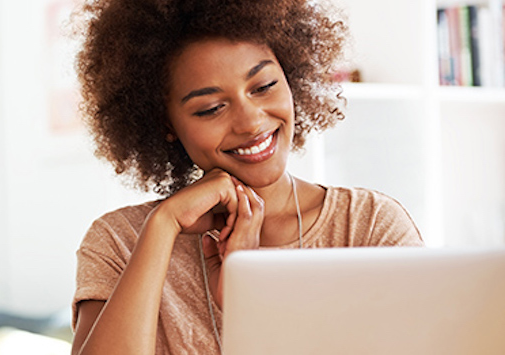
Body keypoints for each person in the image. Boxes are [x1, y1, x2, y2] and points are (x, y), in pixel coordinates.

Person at [69, 0, 424, 354]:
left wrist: (250, 305)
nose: (251, 122)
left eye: (264, 86)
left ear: (291, 78)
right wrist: (163, 225)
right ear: (167, 124)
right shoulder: (120, 243)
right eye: (211, 108)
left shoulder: (368, 227)